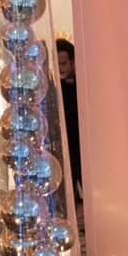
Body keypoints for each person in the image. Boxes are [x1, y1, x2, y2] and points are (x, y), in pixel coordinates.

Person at [56, 38, 82, 195]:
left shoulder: (83, 85)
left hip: (82, 145)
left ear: (73, 62)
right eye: (57, 64)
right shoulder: (54, 87)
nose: (60, 68)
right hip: (65, 146)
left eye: (63, 63)